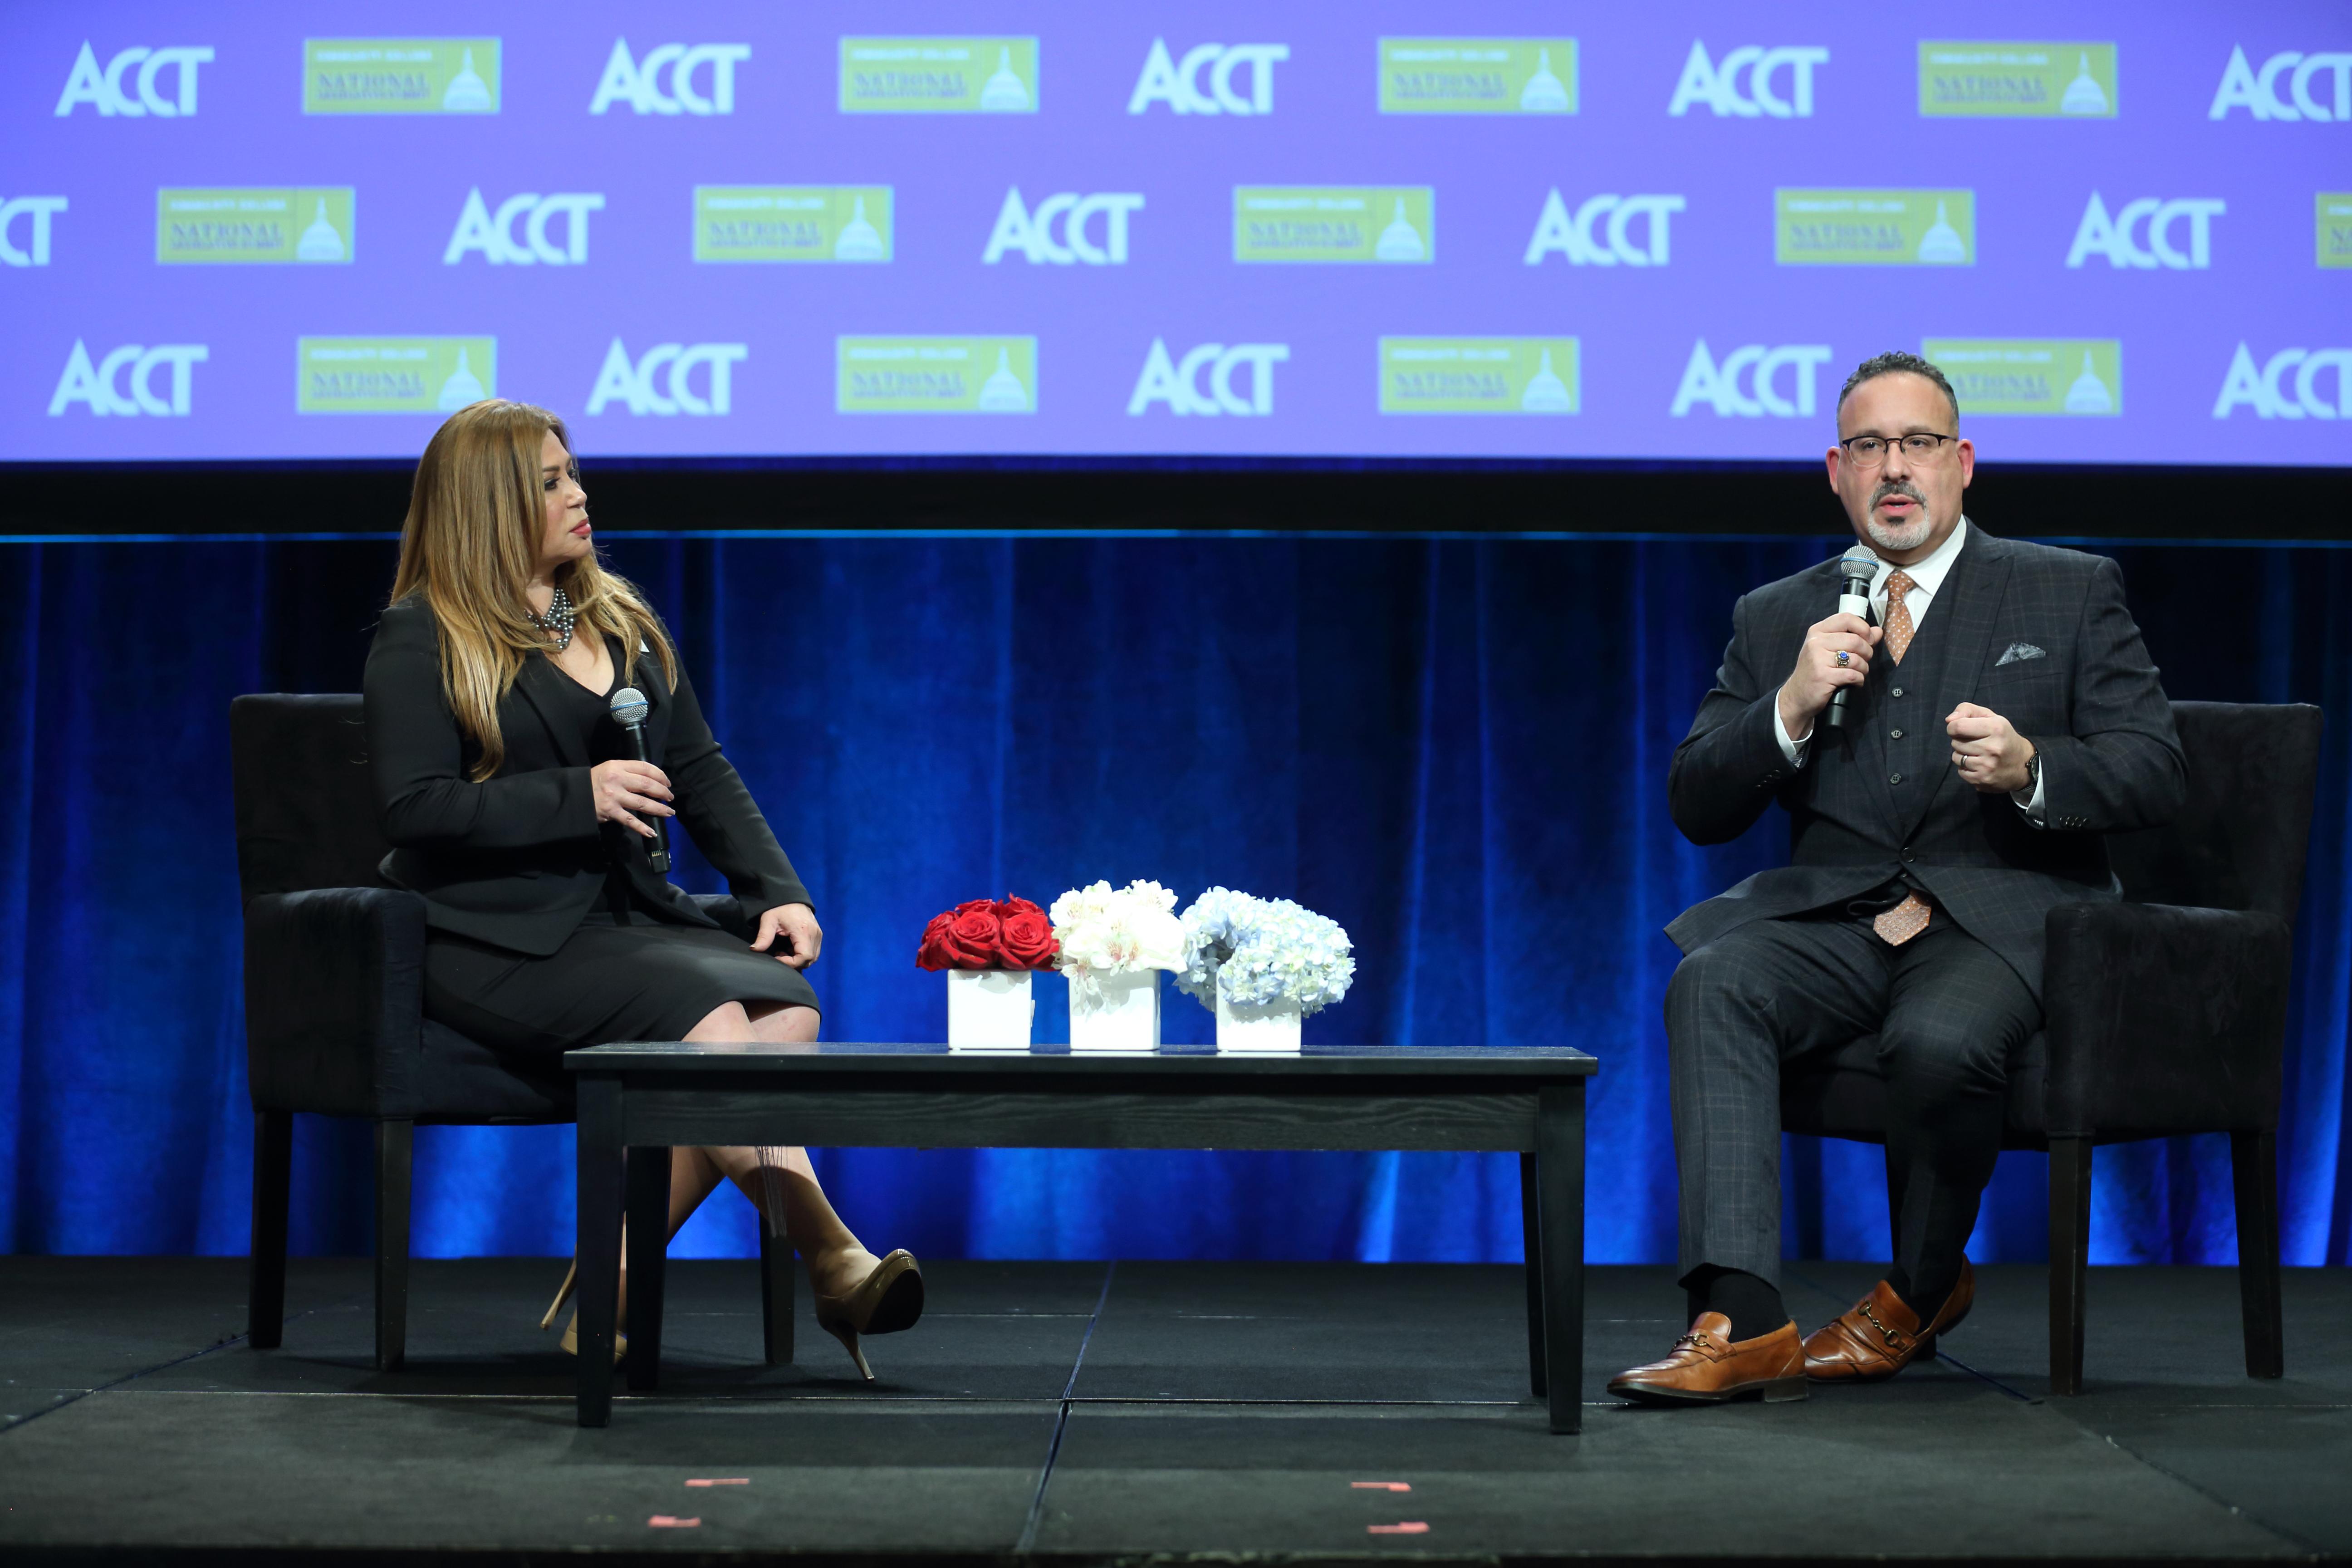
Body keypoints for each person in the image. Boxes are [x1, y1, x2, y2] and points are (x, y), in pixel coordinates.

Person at [1608, 352, 2184, 1404]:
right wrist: (1785, 706)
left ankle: (1919, 1291)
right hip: (1835, 919)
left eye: (1919, 444)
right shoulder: (1779, 613)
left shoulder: (2066, 587)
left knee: (1941, 1040)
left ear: (1963, 463)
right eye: (1870, 447)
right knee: (1715, 981)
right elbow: (1698, 801)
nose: (1896, 469)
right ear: (1836, 472)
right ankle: (1742, 1318)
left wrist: (2034, 769)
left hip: (2002, 918)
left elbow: (2155, 766)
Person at [363, 399, 921, 1379]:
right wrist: (573, 795)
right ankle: (832, 1253)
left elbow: (700, 770)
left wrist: (776, 888)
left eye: (573, 473)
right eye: (548, 483)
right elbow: (413, 809)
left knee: (782, 1008)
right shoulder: (425, 635)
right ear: (489, 503)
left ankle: (610, 1278)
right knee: (706, 1010)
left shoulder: (617, 623)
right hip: (495, 937)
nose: (578, 495)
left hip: (625, 921)